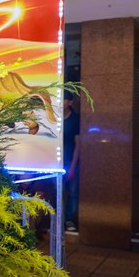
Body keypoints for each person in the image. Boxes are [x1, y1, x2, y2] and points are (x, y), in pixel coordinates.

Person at [62, 90, 80, 231]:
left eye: (64, 100)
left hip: (71, 160)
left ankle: (69, 220)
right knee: (58, 192)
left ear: (70, 102)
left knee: (73, 192)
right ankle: (58, 219)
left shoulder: (75, 119)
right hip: (56, 161)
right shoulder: (54, 117)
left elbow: (78, 145)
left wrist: (73, 166)